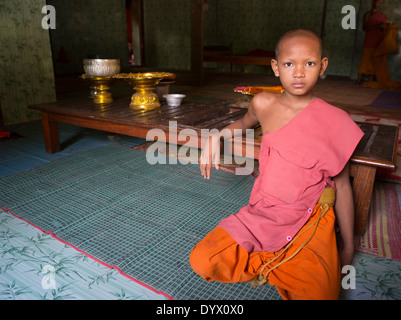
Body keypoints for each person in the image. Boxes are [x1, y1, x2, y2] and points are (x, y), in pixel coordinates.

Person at [189, 29, 364, 300]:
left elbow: (342, 186)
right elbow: (242, 124)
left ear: (323, 66)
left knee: (321, 295)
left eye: (309, 63)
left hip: (308, 220)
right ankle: (277, 264)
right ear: (275, 67)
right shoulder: (263, 104)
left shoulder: (336, 121)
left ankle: (274, 263)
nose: (298, 72)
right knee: (202, 259)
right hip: (263, 212)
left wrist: (348, 248)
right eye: (288, 64)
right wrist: (217, 136)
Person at [356, 0, 388, 86]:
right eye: (378, 2)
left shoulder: (382, 16)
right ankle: (359, 80)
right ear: (373, 3)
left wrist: (384, 27)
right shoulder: (367, 14)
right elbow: (365, 28)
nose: (379, 4)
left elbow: (383, 30)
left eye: (381, 3)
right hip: (369, 40)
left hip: (377, 41)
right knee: (365, 60)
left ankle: (370, 80)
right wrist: (377, 26)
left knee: (373, 61)